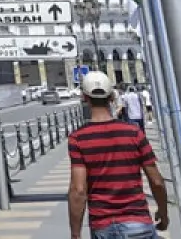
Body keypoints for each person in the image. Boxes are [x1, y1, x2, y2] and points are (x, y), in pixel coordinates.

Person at [69, 71, 169, 239]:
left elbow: (78, 190)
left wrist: (75, 234)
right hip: (138, 224)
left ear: (84, 98)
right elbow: (157, 181)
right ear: (112, 97)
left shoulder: (78, 138)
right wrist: (163, 214)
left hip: (103, 227)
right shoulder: (134, 133)